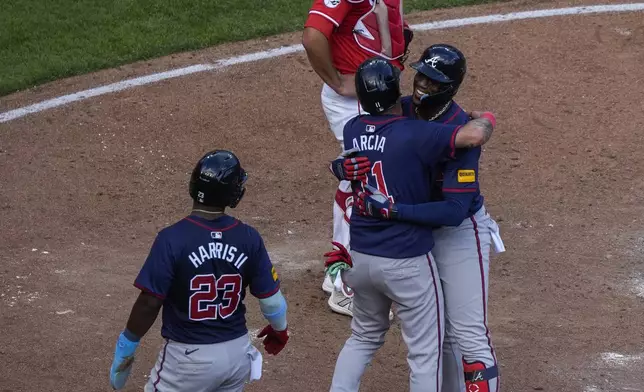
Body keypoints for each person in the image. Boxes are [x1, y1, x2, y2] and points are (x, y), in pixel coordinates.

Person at [326, 57, 497, 392]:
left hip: (453, 231)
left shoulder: (372, 123)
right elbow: (475, 134)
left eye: (433, 82)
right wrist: (341, 167)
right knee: (435, 343)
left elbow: (454, 212)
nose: (422, 85)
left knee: (468, 335)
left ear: (449, 88)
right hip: (409, 241)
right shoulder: (406, 117)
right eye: (420, 76)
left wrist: (395, 210)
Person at [108, 150, 289, 391]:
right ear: (232, 194)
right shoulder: (249, 238)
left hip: (188, 360)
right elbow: (272, 303)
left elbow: (149, 303)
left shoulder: (172, 239)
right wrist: (281, 330)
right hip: (236, 354)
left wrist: (127, 346)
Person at [302, 0, 414, 316]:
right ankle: (345, 288)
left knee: (358, 179)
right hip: (356, 99)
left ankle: (336, 272)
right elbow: (313, 35)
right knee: (368, 178)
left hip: (376, 90)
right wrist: (337, 80)